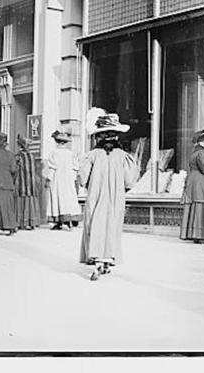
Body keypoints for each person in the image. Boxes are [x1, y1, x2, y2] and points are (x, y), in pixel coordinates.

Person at [79, 108, 138, 281]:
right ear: (117, 137)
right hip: (115, 198)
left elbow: (83, 178)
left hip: (96, 197)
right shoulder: (123, 156)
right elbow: (130, 180)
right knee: (112, 225)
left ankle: (96, 259)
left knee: (95, 224)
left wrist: (88, 184)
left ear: (99, 137)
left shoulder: (91, 155)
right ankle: (107, 259)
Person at [45, 130, 82, 230]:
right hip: (69, 179)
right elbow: (75, 167)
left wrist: (49, 178)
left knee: (58, 197)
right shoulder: (71, 153)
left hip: (58, 179)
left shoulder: (54, 153)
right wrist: (74, 179)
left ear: (57, 142)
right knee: (69, 197)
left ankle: (60, 221)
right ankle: (71, 218)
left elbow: (52, 167)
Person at [15, 135, 41, 230]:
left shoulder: (18, 156)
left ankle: (21, 222)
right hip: (31, 182)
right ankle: (32, 222)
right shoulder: (32, 156)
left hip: (21, 182)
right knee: (30, 201)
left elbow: (14, 169)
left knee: (21, 202)